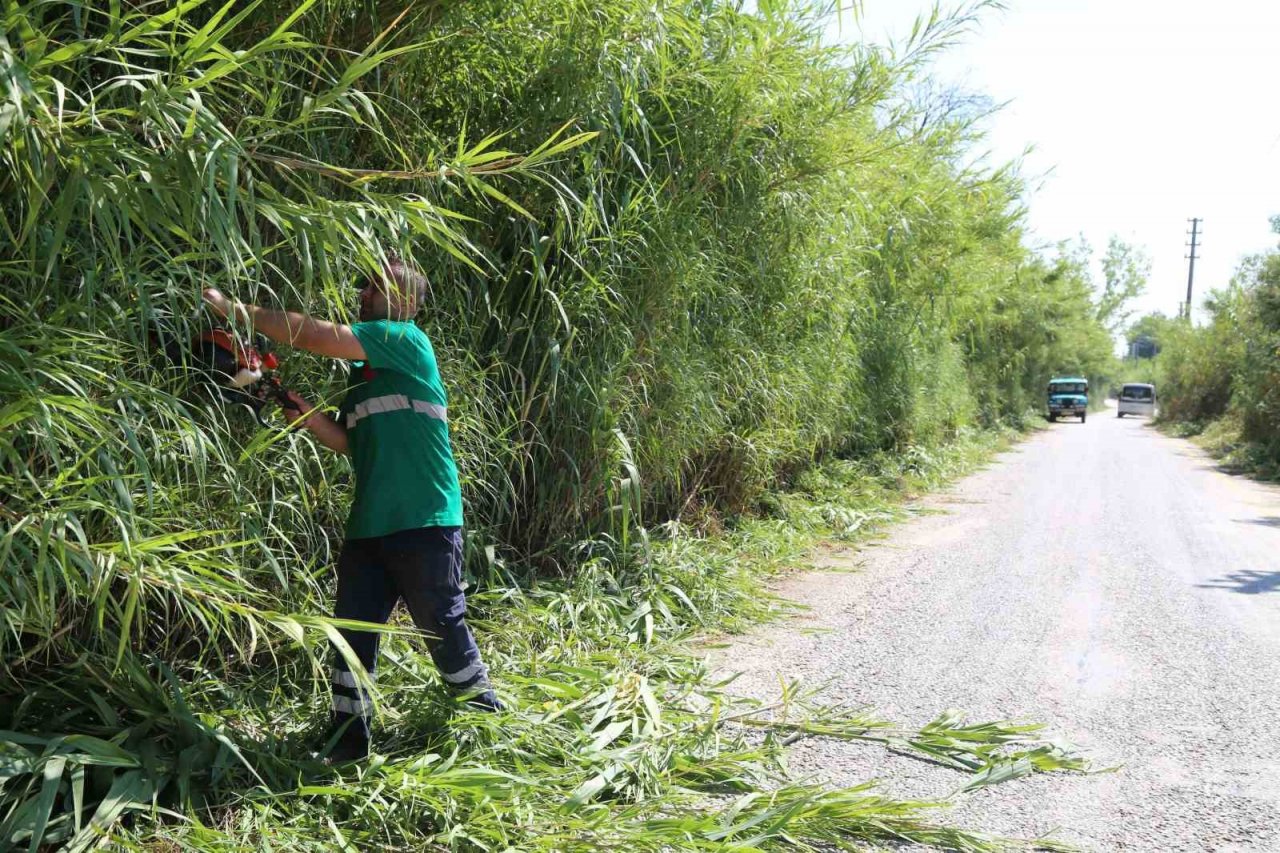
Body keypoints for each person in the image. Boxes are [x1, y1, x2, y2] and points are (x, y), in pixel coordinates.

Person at [202, 257, 501, 763]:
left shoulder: (406, 340)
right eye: (365, 286)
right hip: (369, 525)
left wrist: (236, 311)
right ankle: (348, 744)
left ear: (403, 302)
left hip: (425, 519)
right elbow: (348, 441)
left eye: (376, 287)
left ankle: (482, 719)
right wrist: (297, 409)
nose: (363, 293)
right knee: (351, 632)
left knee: (442, 623)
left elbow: (316, 335)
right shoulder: (363, 377)